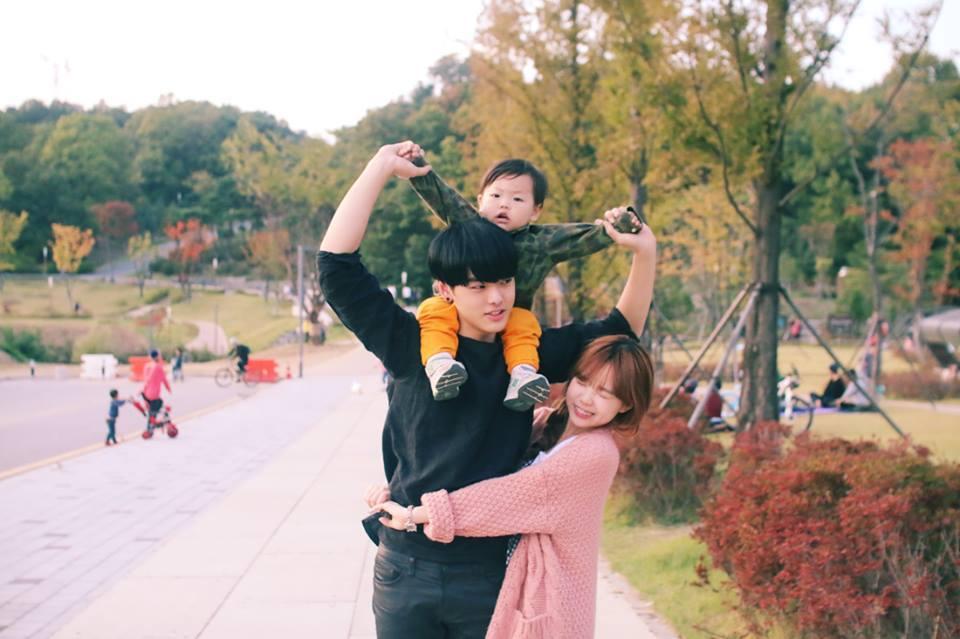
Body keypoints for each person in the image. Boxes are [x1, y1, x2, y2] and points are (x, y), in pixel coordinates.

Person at [318, 141, 656, 639]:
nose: (497, 299)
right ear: (446, 290)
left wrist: (645, 254)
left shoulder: (528, 357)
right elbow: (336, 267)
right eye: (478, 287)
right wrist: (379, 168)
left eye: (504, 283)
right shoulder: (412, 344)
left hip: (491, 575)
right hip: (407, 566)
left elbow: (620, 331)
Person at [372, 334, 654, 639]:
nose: (586, 398)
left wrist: (415, 514)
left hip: (551, 608)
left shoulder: (597, 453)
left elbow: (509, 497)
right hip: (508, 591)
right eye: (583, 382)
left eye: (604, 393)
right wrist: (401, 490)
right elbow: (479, 462)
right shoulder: (546, 423)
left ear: (626, 404)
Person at [409, 155, 642, 410]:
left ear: (535, 210)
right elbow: (442, 198)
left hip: (510, 316)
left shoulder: (540, 244)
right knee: (433, 311)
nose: (504, 205)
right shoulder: (470, 226)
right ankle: (440, 363)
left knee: (524, 326)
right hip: (460, 311)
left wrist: (620, 225)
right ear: (480, 200)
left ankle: (522, 375)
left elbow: (580, 238)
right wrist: (417, 166)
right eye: (496, 196)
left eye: (517, 199)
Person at [141, 349, 171, 434]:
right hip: (154, 394)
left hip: (146, 393)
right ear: (158, 356)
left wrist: (143, 390)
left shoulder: (147, 366)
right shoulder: (158, 366)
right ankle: (156, 426)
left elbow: (146, 379)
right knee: (158, 410)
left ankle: (150, 429)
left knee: (152, 411)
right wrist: (168, 388)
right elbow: (164, 379)